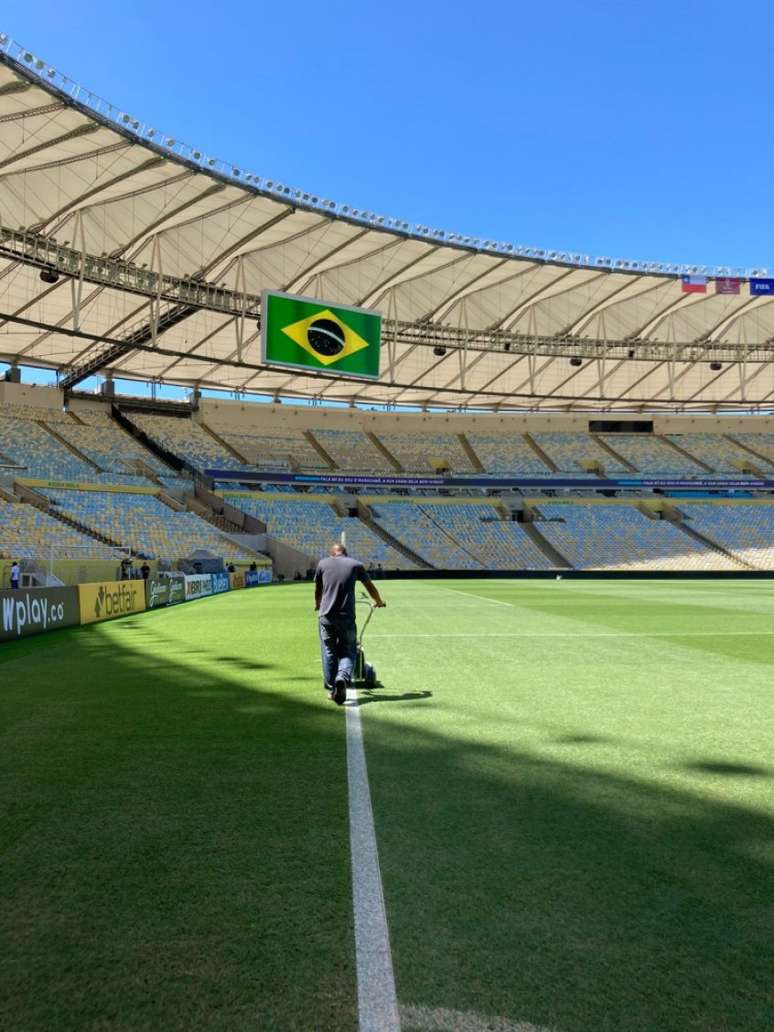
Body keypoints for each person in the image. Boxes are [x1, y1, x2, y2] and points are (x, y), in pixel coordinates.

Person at [314, 543, 385, 706]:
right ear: (345, 553)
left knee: (329, 651)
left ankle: (333, 689)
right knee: (348, 649)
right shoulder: (355, 564)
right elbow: (369, 586)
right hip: (346, 617)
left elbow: (318, 589)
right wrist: (379, 601)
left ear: (332, 554)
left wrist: (318, 604)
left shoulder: (322, 564)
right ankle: (342, 678)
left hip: (326, 616)